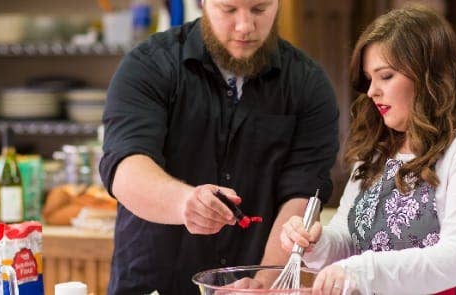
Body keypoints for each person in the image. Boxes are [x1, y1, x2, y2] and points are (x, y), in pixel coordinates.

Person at [280, 5, 456, 295]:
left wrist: (360, 271)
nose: (372, 91)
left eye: (385, 76)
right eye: (369, 79)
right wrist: (316, 243)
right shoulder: (377, 152)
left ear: (427, 76)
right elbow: (349, 239)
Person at [99, 0, 340, 293]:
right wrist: (185, 203)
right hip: (153, 281)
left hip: (255, 283)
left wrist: (263, 283)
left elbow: (303, 194)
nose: (245, 26)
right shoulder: (149, 64)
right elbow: (125, 167)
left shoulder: (308, 84)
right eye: (229, 9)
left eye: (259, 9)